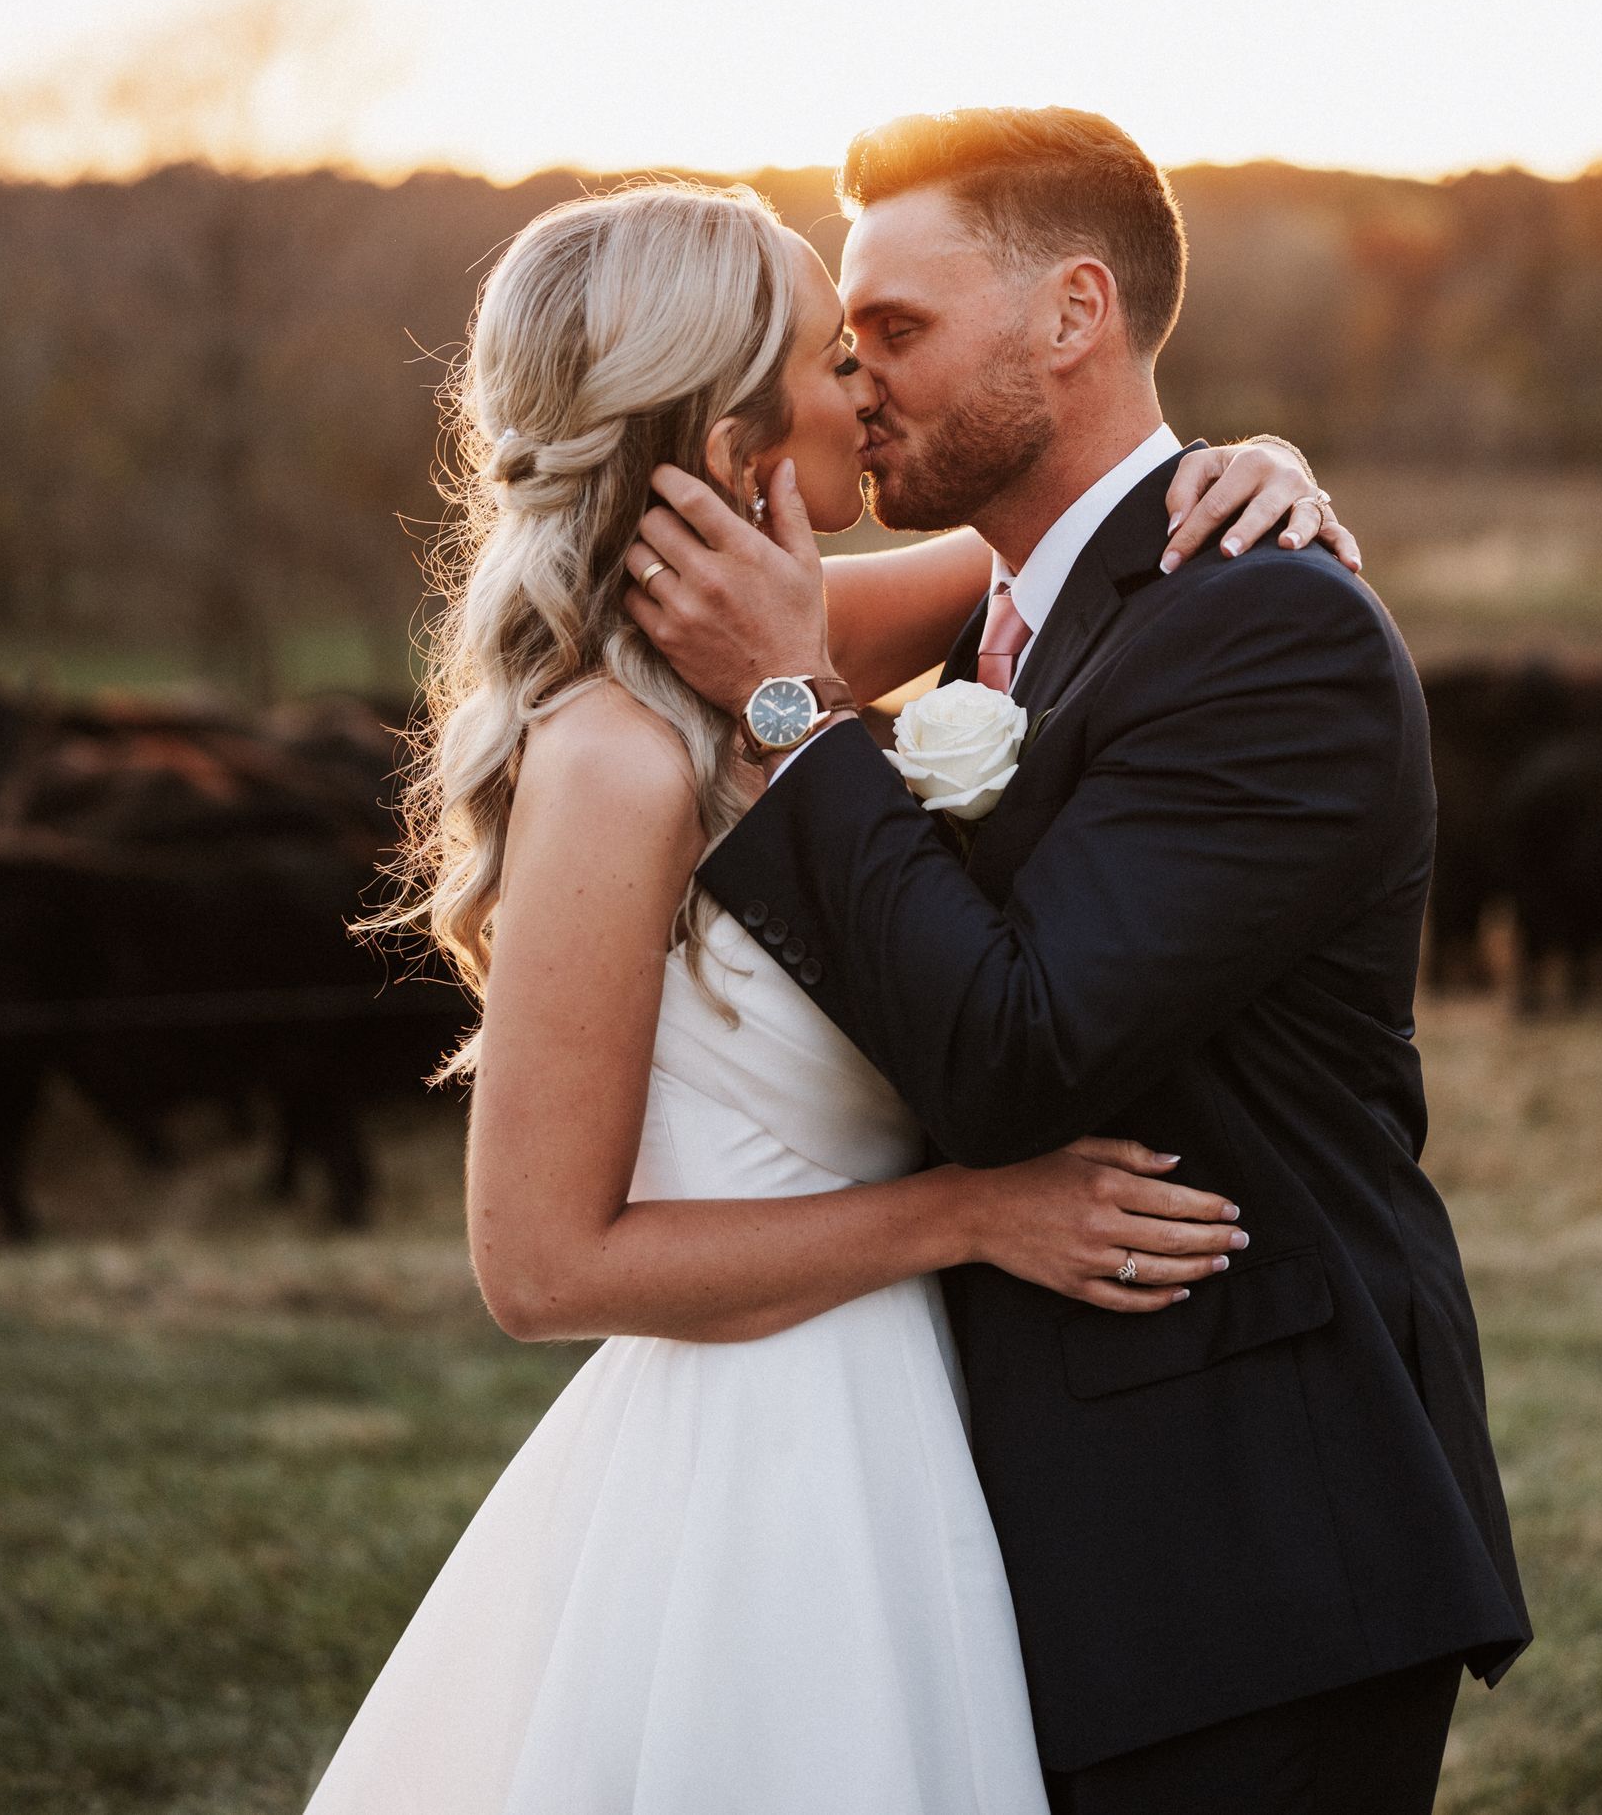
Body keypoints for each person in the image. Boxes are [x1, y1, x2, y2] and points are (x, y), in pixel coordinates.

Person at [305, 178, 1357, 1815]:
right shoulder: (608, 752)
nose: (863, 382)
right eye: (827, 352)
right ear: (732, 434)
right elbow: (536, 1263)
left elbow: (1050, 549)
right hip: (760, 1461)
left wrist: (1254, 467)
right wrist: (968, 1212)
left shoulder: (767, 647)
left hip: (911, 1421)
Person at [630, 108, 1531, 1815]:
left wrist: (787, 706)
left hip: (1249, 1544)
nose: (858, 376)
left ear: (1073, 314)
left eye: (897, 328)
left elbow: (1018, 1051)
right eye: (846, 341)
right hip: (1045, 1525)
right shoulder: (1012, 613)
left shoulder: (1269, 620)